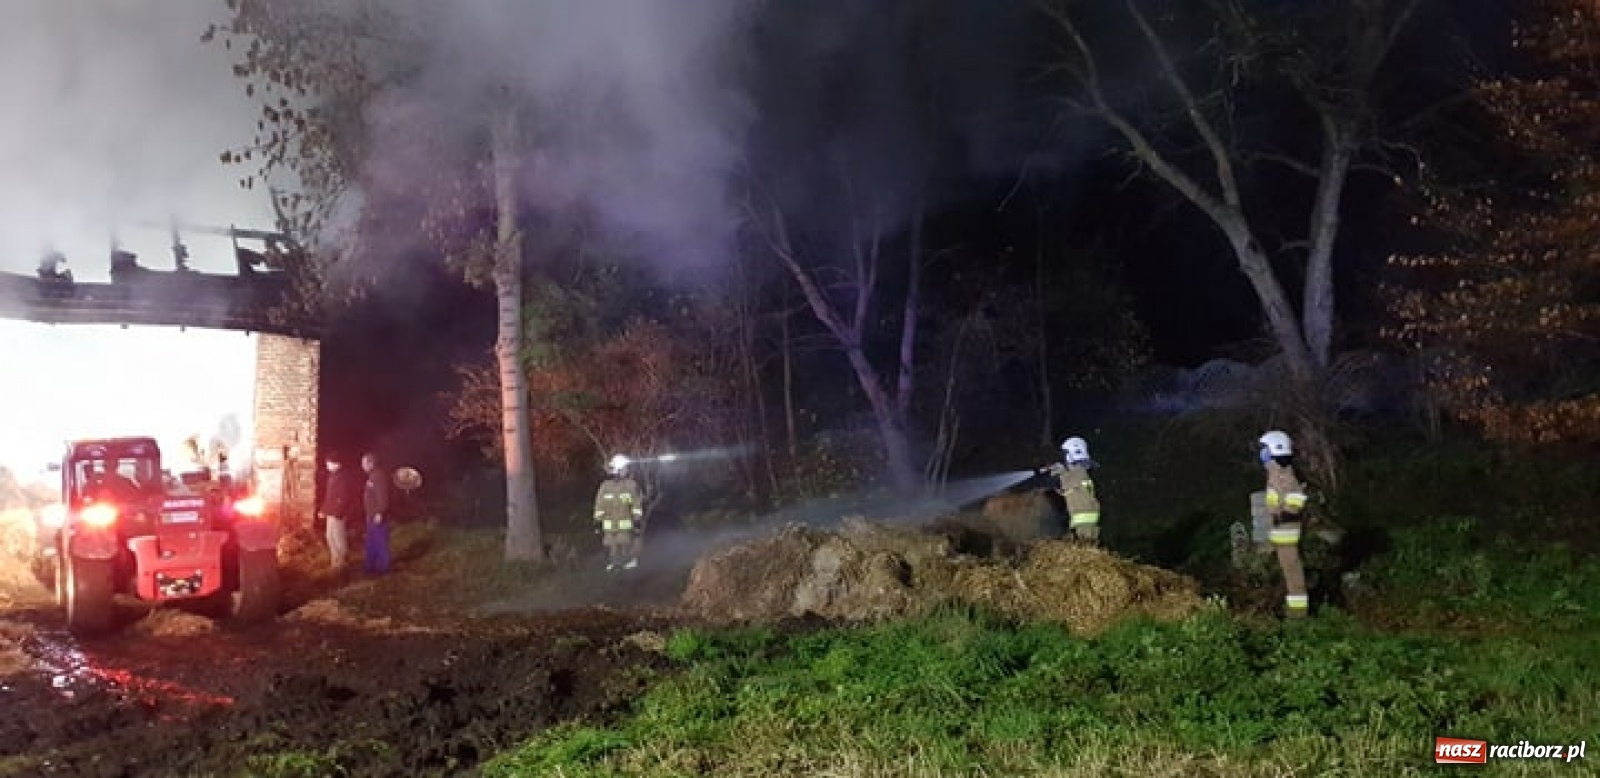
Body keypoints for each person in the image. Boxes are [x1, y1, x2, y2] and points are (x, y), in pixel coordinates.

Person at [1258, 430, 1310, 618]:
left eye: (1265, 449)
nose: (1262, 453)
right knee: (1286, 574)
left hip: (1287, 533)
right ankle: (1286, 608)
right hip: (1280, 534)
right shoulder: (1275, 475)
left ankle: (1298, 616)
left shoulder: (1285, 477)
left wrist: (1284, 515)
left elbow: (1297, 499)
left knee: (1293, 574)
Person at [1045, 436, 1101, 545]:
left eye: (1064, 454)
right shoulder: (1079, 472)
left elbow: (1058, 481)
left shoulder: (1077, 474)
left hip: (1084, 530)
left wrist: (1051, 472)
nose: (1061, 458)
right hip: (1085, 528)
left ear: (1071, 455)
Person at [592, 454, 644, 571]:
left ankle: (630, 563)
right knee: (611, 546)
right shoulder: (605, 486)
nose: (627, 470)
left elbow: (636, 504)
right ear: (619, 469)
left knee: (626, 544)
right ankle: (614, 564)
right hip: (609, 526)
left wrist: (637, 521)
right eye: (625, 468)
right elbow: (599, 506)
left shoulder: (631, 485)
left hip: (625, 525)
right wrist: (597, 522)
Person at [317, 456, 355, 573]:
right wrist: (323, 510)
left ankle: (342, 563)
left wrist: (337, 513)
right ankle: (335, 562)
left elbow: (342, 498)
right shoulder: (332, 476)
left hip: (338, 514)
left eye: (329, 463)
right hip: (330, 513)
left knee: (339, 538)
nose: (327, 465)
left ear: (337, 464)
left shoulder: (343, 477)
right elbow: (329, 497)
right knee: (329, 536)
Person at [361, 452, 391, 575]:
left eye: (364, 463)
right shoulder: (372, 476)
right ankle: (370, 566)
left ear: (371, 463)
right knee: (371, 541)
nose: (362, 465)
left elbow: (382, 496)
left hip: (377, 516)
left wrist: (380, 512)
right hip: (370, 515)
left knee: (380, 541)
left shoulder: (379, 476)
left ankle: (383, 568)